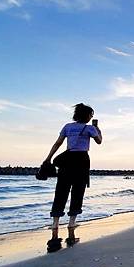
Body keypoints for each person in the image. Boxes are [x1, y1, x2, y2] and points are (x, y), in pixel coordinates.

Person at [43, 103, 102, 253]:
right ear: (87, 115)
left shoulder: (68, 127)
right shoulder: (90, 128)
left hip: (67, 161)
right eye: (91, 115)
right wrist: (98, 129)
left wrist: (48, 158)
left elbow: (58, 143)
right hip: (82, 160)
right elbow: (99, 141)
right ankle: (71, 223)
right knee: (77, 191)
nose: (91, 117)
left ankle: (55, 224)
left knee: (61, 191)